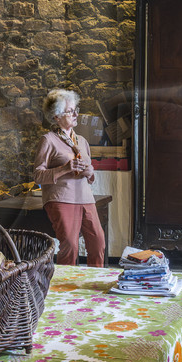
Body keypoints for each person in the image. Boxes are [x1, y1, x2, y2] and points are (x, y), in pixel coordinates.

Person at [33, 88, 107, 267]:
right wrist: (64, 169)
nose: (75, 114)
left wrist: (90, 172)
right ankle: (68, 289)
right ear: (56, 116)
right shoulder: (48, 140)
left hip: (85, 198)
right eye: (70, 111)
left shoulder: (82, 141)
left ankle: (93, 284)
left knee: (98, 243)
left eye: (76, 110)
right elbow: (37, 175)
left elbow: (90, 173)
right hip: (61, 199)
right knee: (70, 247)